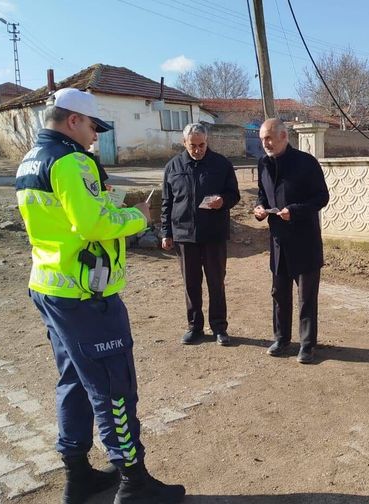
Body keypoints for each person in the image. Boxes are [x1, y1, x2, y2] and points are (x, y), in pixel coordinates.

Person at [15, 87, 185, 504]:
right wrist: (135, 217)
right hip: (85, 295)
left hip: (51, 286)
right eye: (94, 127)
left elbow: (66, 219)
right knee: (114, 387)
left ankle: (78, 476)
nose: (96, 136)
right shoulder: (71, 161)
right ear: (73, 120)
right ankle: (134, 482)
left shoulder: (31, 159)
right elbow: (91, 224)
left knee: (73, 380)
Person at [253, 118, 329, 364]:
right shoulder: (263, 164)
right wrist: (259, 207)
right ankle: (282, 339)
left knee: (306, 297)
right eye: (262, 139)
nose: (265, 143)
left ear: (284, 136)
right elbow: (262, 194)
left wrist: (294, 211)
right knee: (279, 294)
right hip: (278, 242)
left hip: (304, 241)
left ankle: (307, 345)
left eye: (269, 138)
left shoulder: (306, 163)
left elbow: (322, 197)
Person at [161, 123, 241, 346]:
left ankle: (219, 328)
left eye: (202, 145)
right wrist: (166, 232)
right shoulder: (173, 166)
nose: (197, 150)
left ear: (207, 142)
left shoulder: (221, 164)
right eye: (193, 145)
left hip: (214, 234)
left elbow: (234, 194)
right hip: (184, 235)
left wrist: (223, 201)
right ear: (184, 143)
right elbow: (167, 202)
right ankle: (194, 327)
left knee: (216, 282)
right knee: (191, 284)